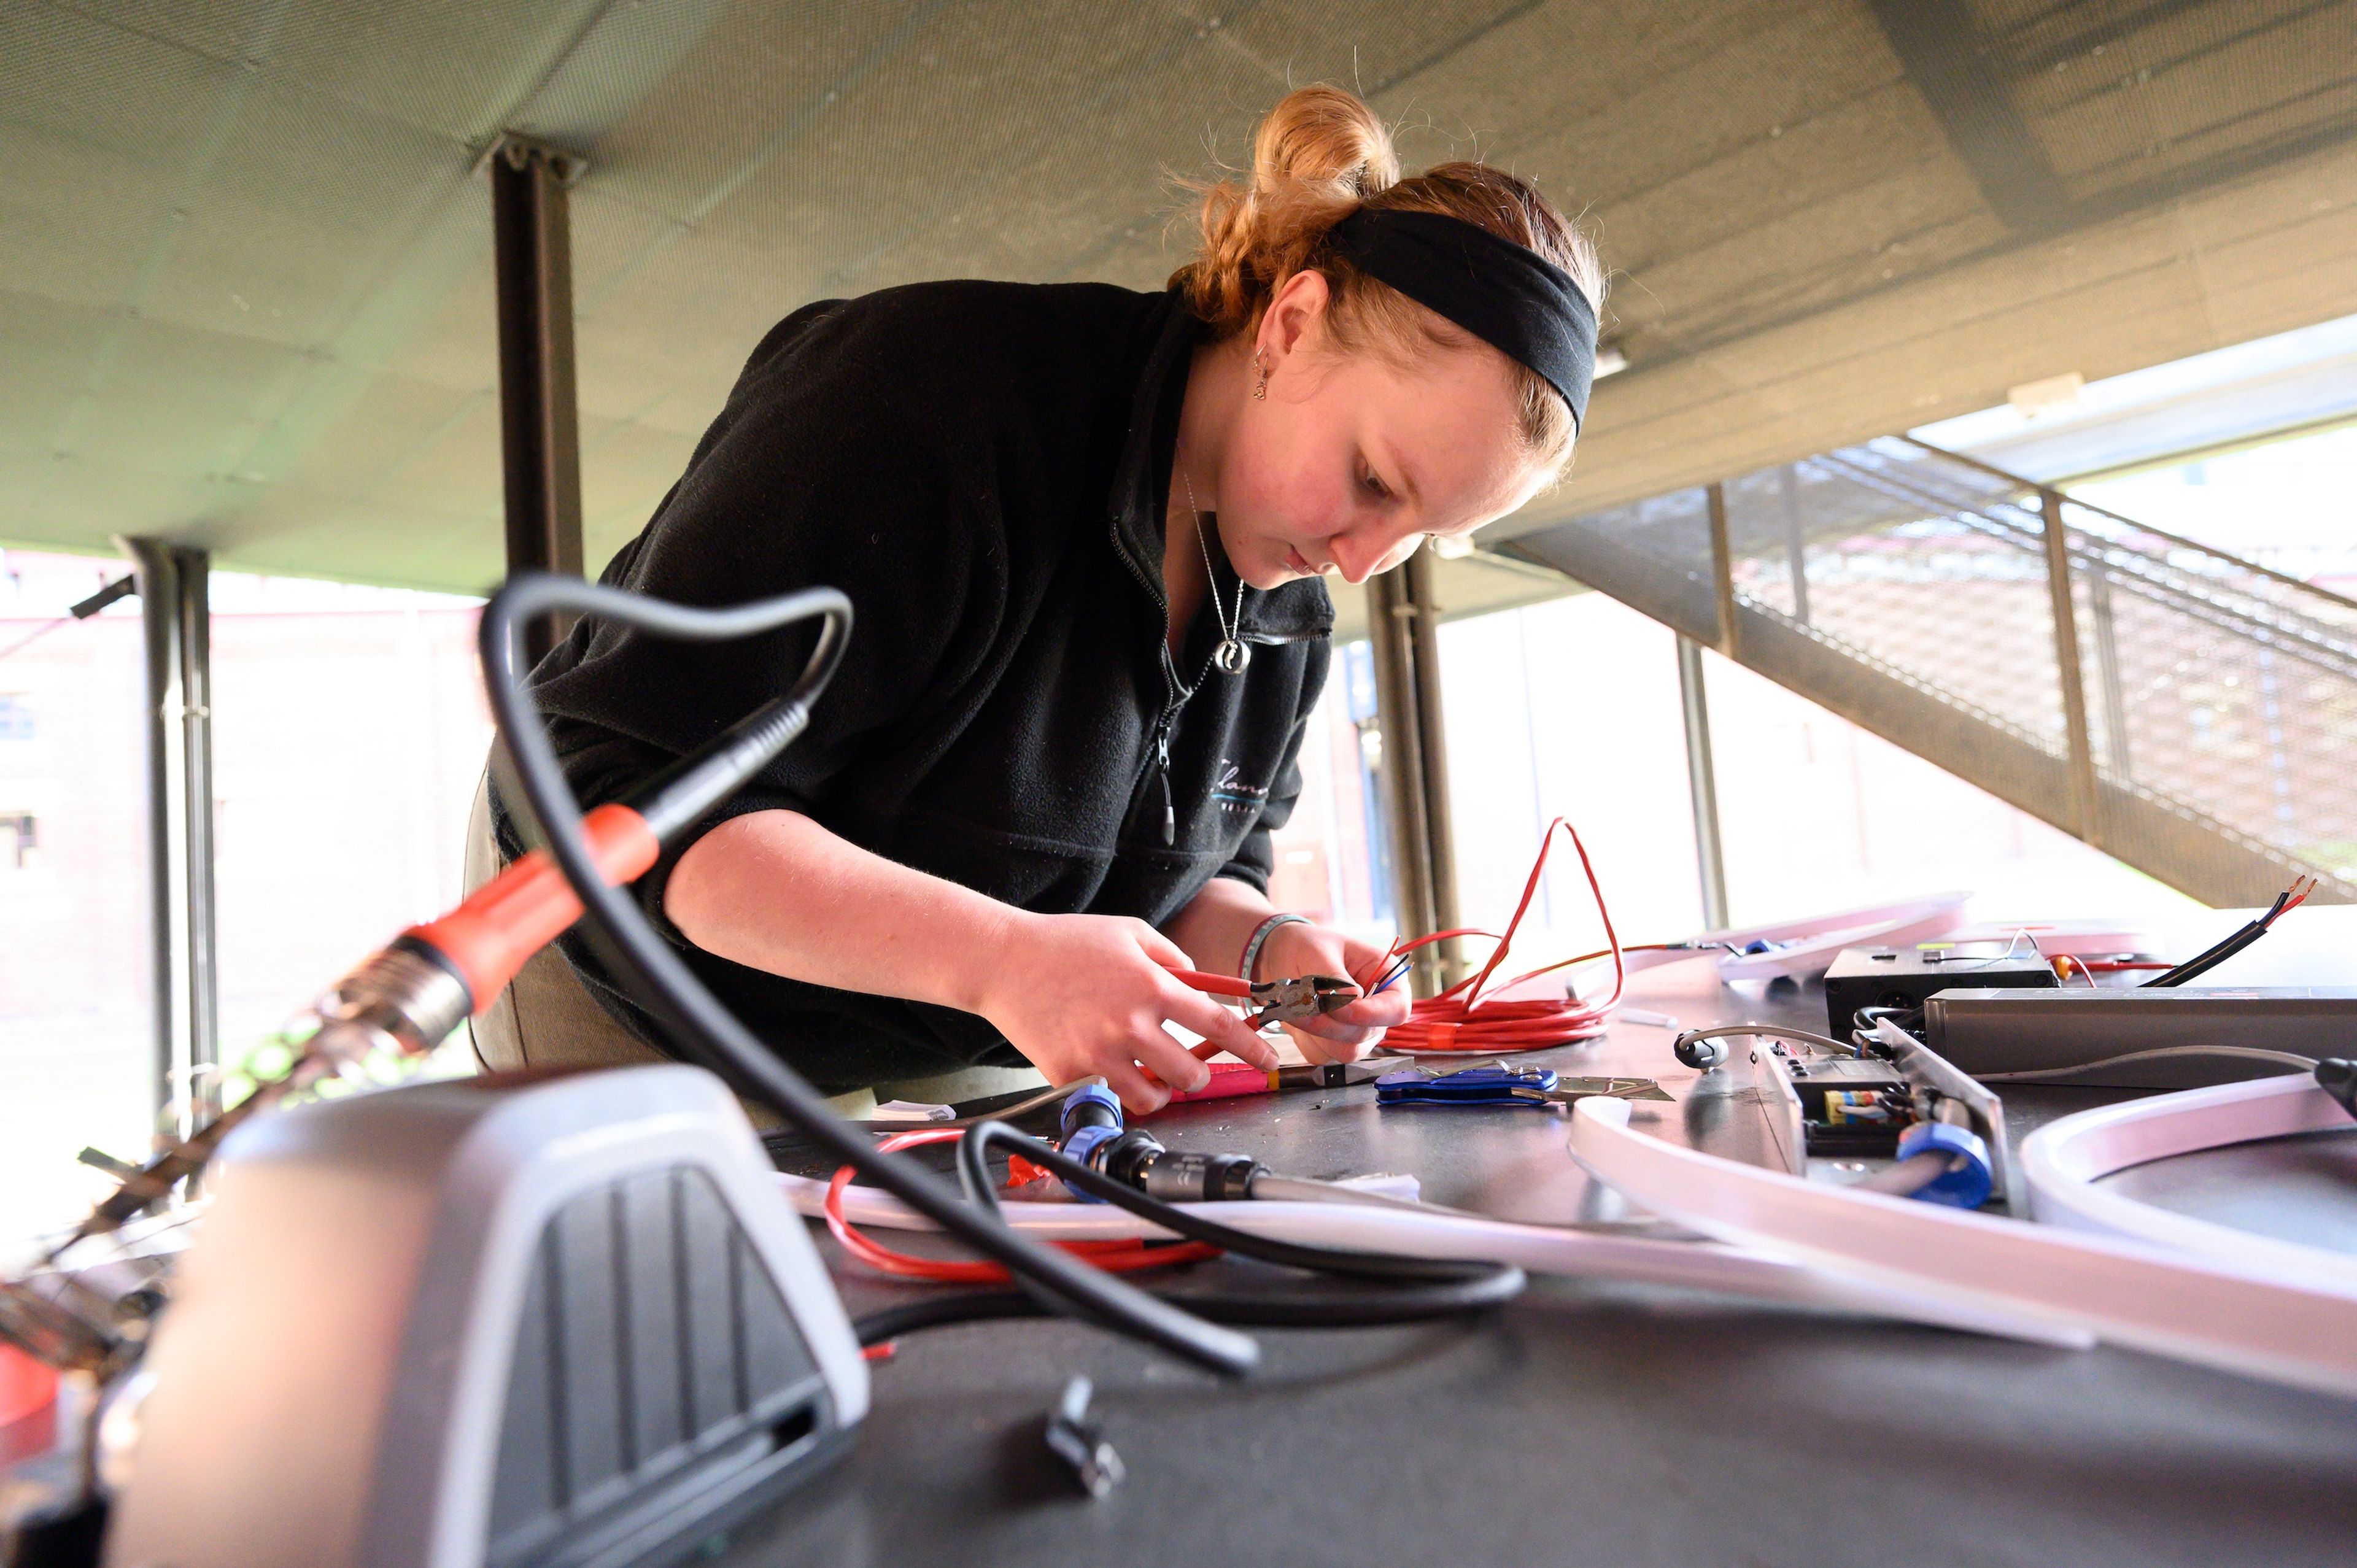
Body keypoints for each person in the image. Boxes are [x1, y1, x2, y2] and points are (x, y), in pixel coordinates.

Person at [479, 84, 1604, 1114]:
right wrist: (998, 959)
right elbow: (635, 808)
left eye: (1422, 536)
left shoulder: (1284, 594)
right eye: (1373, 481)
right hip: (636, 965)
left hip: (946, 999)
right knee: (720, 1311)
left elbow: (1187, 879)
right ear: (1291, 323)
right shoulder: (923, 406)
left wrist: (1267, 944)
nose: (1364, 563)